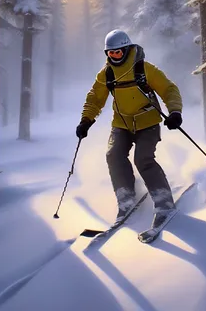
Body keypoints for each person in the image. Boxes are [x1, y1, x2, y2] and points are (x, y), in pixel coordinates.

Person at [76, 29, 183, 228]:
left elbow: (169, 89)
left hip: (147, 123)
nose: (114, 56)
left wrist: (175, 112)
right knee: (113, 155)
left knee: (143, 159)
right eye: (110, 53)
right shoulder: (106, 73)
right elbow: (95, 98)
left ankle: (164, 203)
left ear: (126, 49)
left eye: (117, 52)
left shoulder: (144, 68)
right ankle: (125, 199)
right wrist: (86, 120)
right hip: (121, 124)